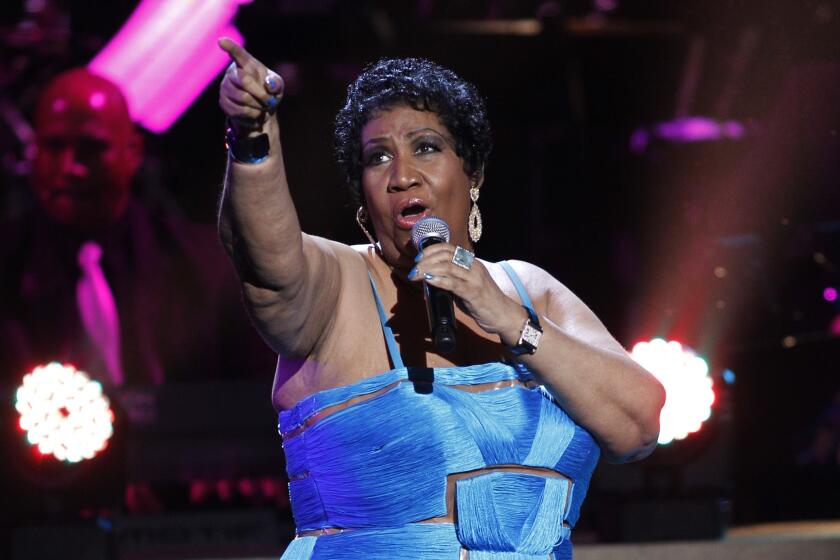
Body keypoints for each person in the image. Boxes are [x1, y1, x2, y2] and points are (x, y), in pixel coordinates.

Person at [217, 38, 665, 559]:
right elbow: (262, 257)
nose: (401, 174)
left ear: (473, 174)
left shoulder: (529, 290)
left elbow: (637, 426)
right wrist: (252, 140)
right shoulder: (336, 284)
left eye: (425, 147)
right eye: (377, 157)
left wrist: (508, 318)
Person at [0, 68, 275, 520]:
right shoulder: (9, 269)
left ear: (132, 152)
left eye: (91, 148)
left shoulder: (207, 267)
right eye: (53, 147)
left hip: (189, 518)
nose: (69, 166)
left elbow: (263, 400)